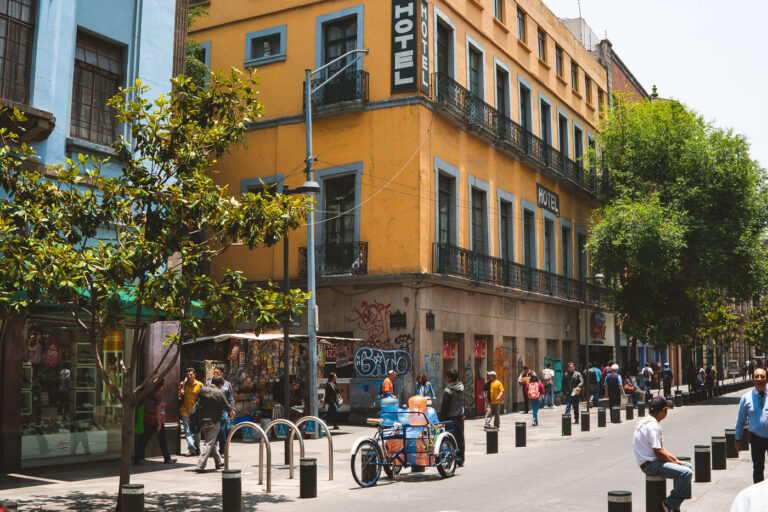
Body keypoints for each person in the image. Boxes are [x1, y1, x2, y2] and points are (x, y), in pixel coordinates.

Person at [634, 396, 692, 512]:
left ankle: (675, 506)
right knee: (686, 472)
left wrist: (676, 460)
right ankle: (670, 504)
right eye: (666, 410)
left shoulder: (648, 421)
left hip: (652, 461)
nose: (666, 413)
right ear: (661, 411)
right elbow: (658, 452)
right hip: (650, 465)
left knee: (687, 466)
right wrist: (675, 462)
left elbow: (661, 450)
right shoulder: (652, 427)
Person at [195, 376, 236, 473]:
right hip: (214, 420)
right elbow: (226, 405)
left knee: (211, 441)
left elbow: (196, 403)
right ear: (220, 384)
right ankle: (200, 465)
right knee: (209, 443)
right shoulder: (218, 392)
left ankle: (218, 461)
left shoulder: (202, 390)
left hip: (202, 420)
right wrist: (232, 412)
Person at [735, 368, 768, 483]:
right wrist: (737, 438)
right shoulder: (746, 398)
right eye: (757, 376)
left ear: (766, 379)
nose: (760, 379)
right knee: (758, 469)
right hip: (756, 438)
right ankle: (758, 497)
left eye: (762, 377)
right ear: (753, 379)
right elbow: (741, 420)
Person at [134, 380, 176, 465]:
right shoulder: (157, 398)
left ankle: (137, 458)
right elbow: (158, 412)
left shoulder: (147, 396)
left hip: (147, 421)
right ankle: (167, 459)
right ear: (160, 387)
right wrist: (159, 425)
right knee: (163, 442)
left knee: (143, 441)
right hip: (156, 422)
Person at [206, 367, 235, 455]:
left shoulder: (227, 384)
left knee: (222, 431)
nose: (215, 374)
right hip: (212, 412)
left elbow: (230, 398)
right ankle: (213, 451)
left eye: (217, 373)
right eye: (214, 372)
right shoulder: (208, 383)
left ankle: (222, 450)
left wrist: (232, 409)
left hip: (223, 411)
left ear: (222, 374)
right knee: (212, 431)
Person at [439, 369, 465, 466]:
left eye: (447, 377)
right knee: (460, 439)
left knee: (450, 439)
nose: (446, 379)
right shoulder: (461, 387)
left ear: (449, 378)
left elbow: (445, 407)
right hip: (460, 417)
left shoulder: (448, 390)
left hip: (451, 419)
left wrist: (441, 420)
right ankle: (461, 459)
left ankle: (452, 459)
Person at [179, 367, 203, 456]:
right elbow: (179, 396)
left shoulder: (200, 385)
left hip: (196, 411)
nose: (189, 376)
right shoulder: (183, 384)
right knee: (187, 430)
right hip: (185, 410)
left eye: (191, 374)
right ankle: (191, 449)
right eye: (188, 375)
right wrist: (181, 393)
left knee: (197, 430)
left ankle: (197, 447)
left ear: (194, 375)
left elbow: (203, 397)